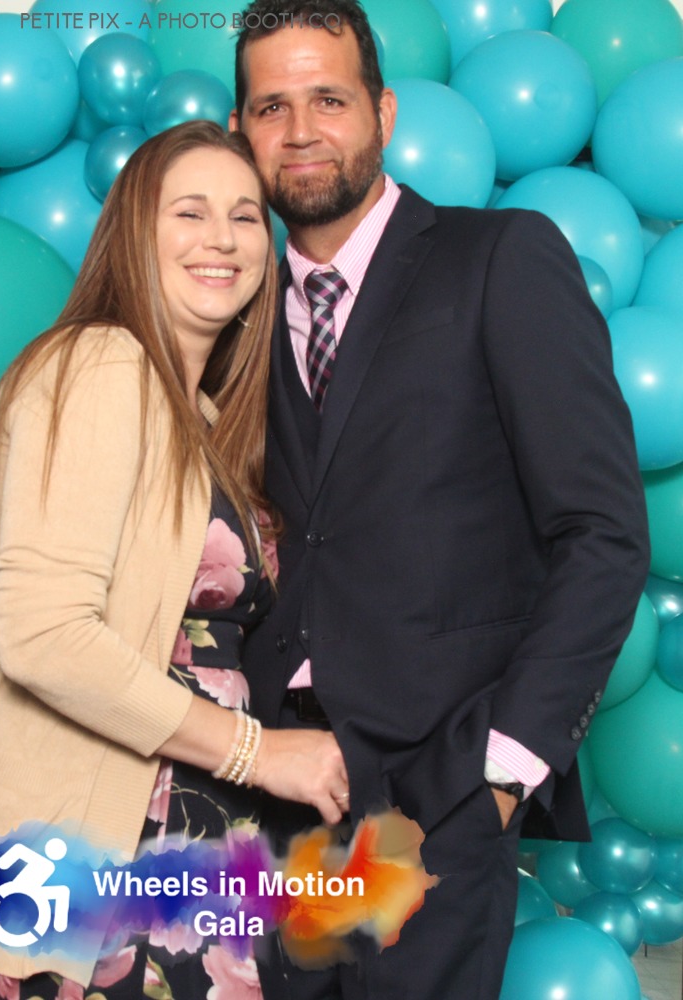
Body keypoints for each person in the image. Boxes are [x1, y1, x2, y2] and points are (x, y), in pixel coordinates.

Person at [229, 3, 651, 998]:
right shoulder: (233, 303)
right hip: (262, 791)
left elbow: (600, 531)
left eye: (329, 100)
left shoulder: (500, 258)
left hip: (436, 794)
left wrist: (502, 770)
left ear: (383, 113)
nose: (300, 131)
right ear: (240, 131)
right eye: (271, 107)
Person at [0, 120, 350, 1000]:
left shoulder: (200, 416)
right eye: (189, 212)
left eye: (245, 217)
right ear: (133, 234)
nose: (222, 238)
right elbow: (44, 635)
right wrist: (260, 753)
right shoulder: (103, 363)